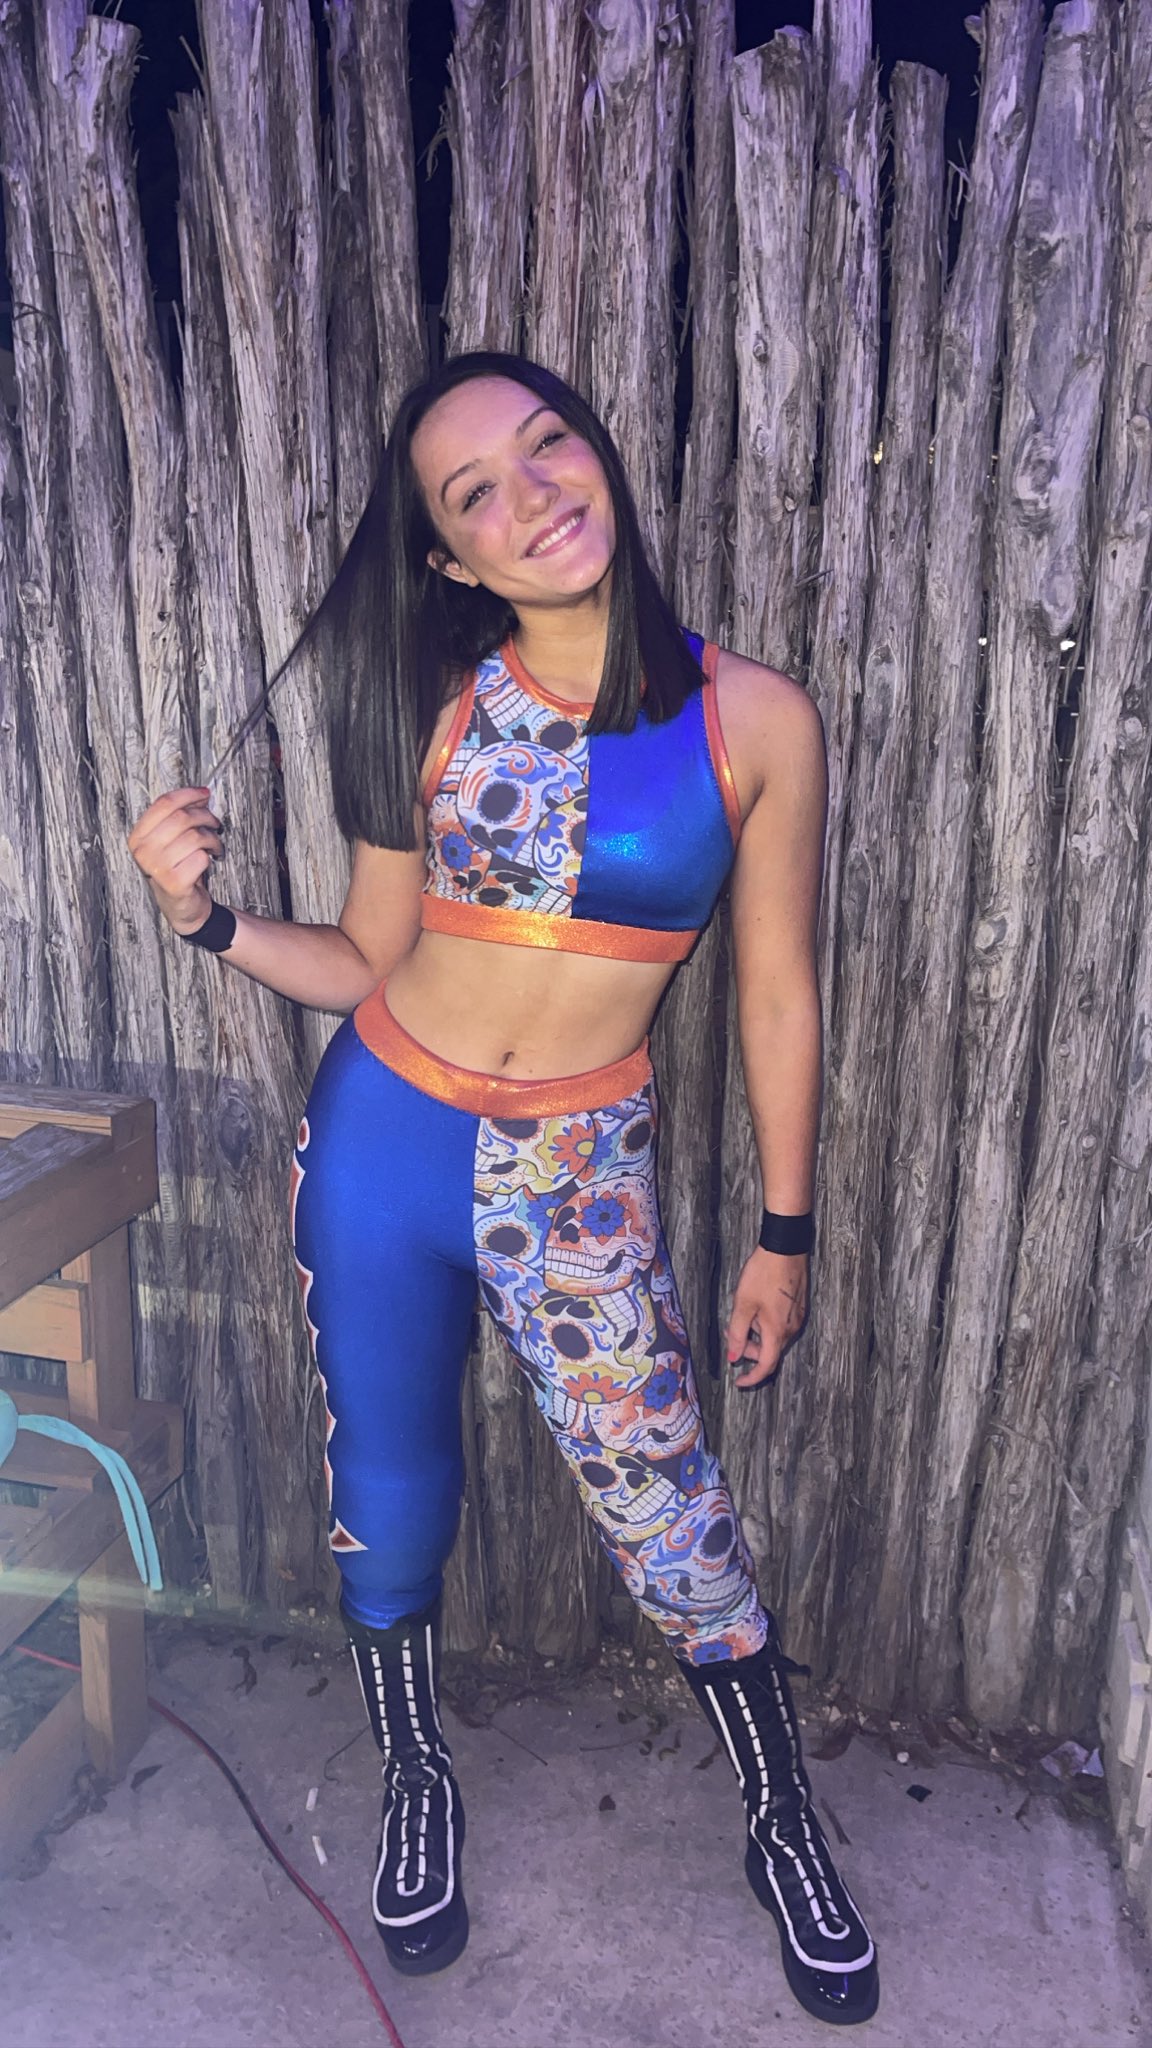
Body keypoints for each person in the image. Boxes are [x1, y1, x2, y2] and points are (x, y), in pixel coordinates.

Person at [128, 350, 879, 2026]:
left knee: (665, 1501)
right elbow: (364, 959)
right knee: (389, 1487)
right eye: (477, 491)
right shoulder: (439, 707)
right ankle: (416, 1777)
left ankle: (780, 1815)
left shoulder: (754, 719)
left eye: (549, 445)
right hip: (383, 1144)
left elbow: (778, 995)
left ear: (599, 450)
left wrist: (786, 1231)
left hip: (575, 1171)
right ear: (449, 556)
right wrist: (204, 921)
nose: (532, 494)